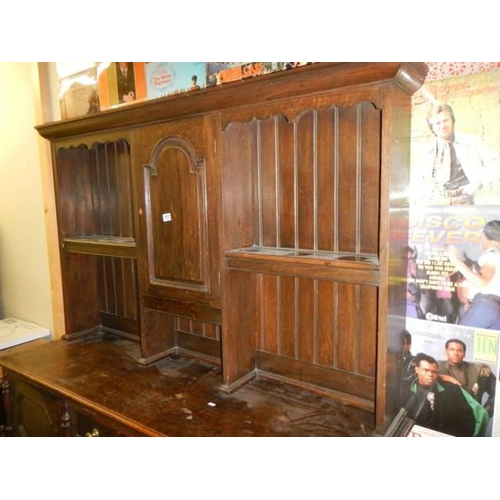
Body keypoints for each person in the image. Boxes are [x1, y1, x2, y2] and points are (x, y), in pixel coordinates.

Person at [412, 103, 500, 205]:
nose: (442, 126)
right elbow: (416, 184)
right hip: (441, 204)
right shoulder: (426, 152)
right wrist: (443, 201)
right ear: (432, 127)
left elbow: (496, 165)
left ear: (452, 121)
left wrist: (478, 183)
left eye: (445, 120)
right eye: (437, 123)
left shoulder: (472, 142)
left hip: (471, 201)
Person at [404, 353, 489, 436]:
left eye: (434, 372)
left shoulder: (452, 389)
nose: (430, 375)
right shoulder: (405, 390)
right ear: (417, 369)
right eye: (426, 370)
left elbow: (481, 415)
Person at [444, 219, 500, 329]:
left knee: (460, 339)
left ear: (484, 236)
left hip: (485, 305)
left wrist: (456, 261)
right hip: (496, 307)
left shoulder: (491, 254)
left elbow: (482, 283)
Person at [438, 338, 495, 417]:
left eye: (459, 350)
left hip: (472, 417)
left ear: (464, 353)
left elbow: (497, 392)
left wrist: (486, 411)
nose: (455, 353)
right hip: (443, 417)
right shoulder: (436, 367)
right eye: (452, 349)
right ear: (446, 351)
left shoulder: (479, 369)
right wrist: (443, 377)